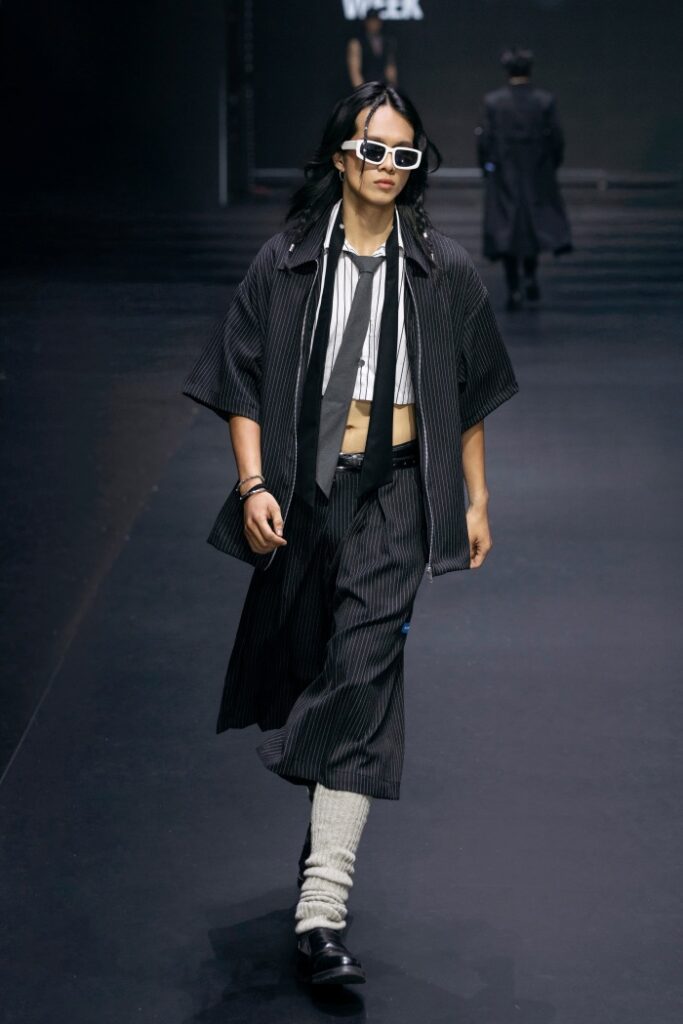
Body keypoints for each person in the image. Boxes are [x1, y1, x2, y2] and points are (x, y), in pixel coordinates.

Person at [183, 82, 518, 987]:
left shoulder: (442, 269)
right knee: (313, 667)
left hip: (397, 489)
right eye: (372, 150)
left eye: (403, 155)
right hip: (304, 488)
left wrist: (476, 499)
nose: (386, 167)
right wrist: (252, 483)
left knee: (364, 672)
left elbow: (470, 393)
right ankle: (321, 776)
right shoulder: (288, 259)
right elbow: (240, 377)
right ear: (341, 156)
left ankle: (320, 911)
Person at [476, 48, 572, 311]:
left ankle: (514, 287)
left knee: (507, 228)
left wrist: (487, 168)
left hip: (504, 174)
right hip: (536, 172)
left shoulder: (494, 102)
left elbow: (485, 140)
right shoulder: (544, 101)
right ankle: (529, 276)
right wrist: (550, 166)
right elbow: (557, 138)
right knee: (532, 226)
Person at [347, 8, 398, 88]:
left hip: (382, 86)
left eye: (376, 21)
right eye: (372, 21)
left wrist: (392, 86)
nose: (374, 24)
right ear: (366, 22)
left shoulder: (387, 41)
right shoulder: (357, 42)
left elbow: (390, 66)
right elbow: (354, 70)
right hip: (366, 85)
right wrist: (362, 90)